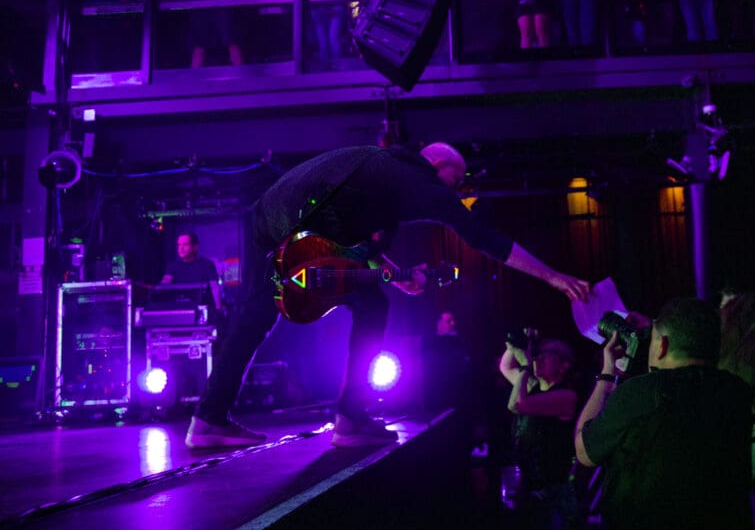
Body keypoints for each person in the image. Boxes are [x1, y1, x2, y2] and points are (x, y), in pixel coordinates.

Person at [185, 142, 589, 449]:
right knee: (372, 305)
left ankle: (207, 420)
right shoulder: (419, 179)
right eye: (456, 179)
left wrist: (394, 275)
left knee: (258, 314)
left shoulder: (381, 172)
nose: (455, 190)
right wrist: (553, 277)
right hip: (304, 224)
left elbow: (356, 241)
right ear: (438, 165)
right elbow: (481, 237)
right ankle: (351, 418)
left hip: (267, 216)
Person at [575, 297, 754, 530]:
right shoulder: (736, 392)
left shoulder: (639, 394)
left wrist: (607, 375)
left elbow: (584, 451)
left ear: (662, 345)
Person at [500, 337, 580, 530]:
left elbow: (517, 404)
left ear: (564, 365)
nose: (539, 357)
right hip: (530, 490)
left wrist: (525, 365)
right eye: (538, 353)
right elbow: (505, 366)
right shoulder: (532, 386)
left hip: (553, 495)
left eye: (548, 353)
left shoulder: (566, 395)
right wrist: (515, 343)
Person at [161, 232, 223, 312]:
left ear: (195, 247)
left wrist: (218, 309)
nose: (181, 248)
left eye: (185, 244)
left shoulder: (207, 265)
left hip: (203, 309)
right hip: (179, 310)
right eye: (179, 245)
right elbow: (165, 284)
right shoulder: (173, 266)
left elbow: (214, 288)